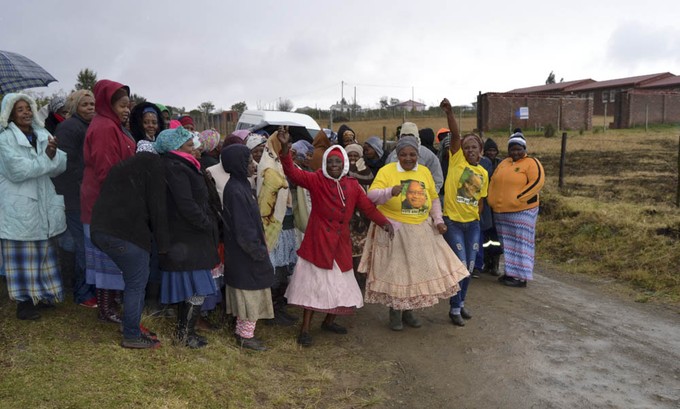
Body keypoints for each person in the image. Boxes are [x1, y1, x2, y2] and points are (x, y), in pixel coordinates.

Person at [276, 128, 395, 347]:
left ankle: (329, 321)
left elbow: (368, 208)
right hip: (318, 241)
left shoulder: (352, 186)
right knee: (313, 287)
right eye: (330, 163)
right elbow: (292, 173)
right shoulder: (316, 180)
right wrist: (285, 150)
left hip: (340, 243)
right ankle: (305, 329)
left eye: (337, 163)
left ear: (344, 165)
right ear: (324, 164)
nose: (333, 166)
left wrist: (384, 222)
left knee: (341, 285)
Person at [359, 136, 468, 330]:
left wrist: (438, 220)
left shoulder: (424, 172)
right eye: (403, 154)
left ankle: (409, 311)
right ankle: (395, 312)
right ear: (397, 155)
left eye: (412, 154)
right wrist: (389, 191)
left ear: (418, 155)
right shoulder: (387, 171)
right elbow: (371, 196)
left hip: (419, 229)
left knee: (415, 272)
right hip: (395, 228)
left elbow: (433, 199)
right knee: (398, 272)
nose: (408, 158)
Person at [90, 152, 169, 349]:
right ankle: (132, 335)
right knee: (136, 284)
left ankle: (129, 325)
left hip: (99, 231)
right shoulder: (155, 167)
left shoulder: (121, 167)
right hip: (128, 236)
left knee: (132, 281)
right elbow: (158, 208)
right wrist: (164, 245)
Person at [0, 93, 67, 320]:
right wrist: (47, 159)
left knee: (43, 252)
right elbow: (17, 171)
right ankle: (25, 303)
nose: (27, 112)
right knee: (21, 255)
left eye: (28, 108)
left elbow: (61, 164)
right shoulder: (5, 139)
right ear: (10, 114)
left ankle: (44, 295)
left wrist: (51, 156)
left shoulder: (42, 133)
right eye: (20, 109)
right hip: (19, 203)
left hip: (43, 200)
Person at [155, 127, 219, 348]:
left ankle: (185, 332)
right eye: (190, 145)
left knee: (193, 288)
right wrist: (206, 222)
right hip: (189, 236)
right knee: (197, 287)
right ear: (176, 147)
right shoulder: (176, 168)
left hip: (188, 236)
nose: (195, 149)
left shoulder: (180, 165)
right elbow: (186, 204)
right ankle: (185, 335)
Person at [81, 79, 136, 323]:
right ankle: (106, 308)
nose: (126, 110)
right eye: (123, 105)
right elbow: (106, 172)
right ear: (108, 103)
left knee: (111, 254)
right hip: (104, 203)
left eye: (128, 106)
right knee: (107, 255)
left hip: (112, 200)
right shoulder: (104, 128)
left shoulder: (112, 125)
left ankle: (111, 301)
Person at [440, 98, 489, 327]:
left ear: (480, 151)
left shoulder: (483, 173)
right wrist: (450, 113)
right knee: (460, 264)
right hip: (454, 224)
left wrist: (476, 217)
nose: (469, 150)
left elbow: (480, 200)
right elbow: (456, 135)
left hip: (473, 225)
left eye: (474, 147)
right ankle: (454, 308)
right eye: (467, 147)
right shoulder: (457, 160)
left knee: (469, 266)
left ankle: (460, 303)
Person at [221, 144, 275, 351]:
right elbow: (243, 227)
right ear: (238, 164)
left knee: (249, 290)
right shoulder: (236, 190)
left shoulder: (240, 184)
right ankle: (245, 335)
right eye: (249, 161)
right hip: (245, 252)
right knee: (249, 292)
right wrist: (257, 251)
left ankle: (243, 331)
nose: (254, 165)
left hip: (244, 251)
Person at [51, 89, 97, 308]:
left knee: (86, 244)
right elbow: (66, 164)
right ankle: (82, 292)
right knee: (81, 246)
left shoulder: (88, 125)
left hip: (86, 194)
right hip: (73, 196)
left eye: (92, 104)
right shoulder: (70, 127)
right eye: (85, 104)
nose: (90, 108)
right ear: (75, 106)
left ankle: (86, 288)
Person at [487, 132, 545, 287]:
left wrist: (519, 198)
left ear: (524, 148)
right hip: (502, 212)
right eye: (512, 149)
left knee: (521, 243)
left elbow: (537, 181)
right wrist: (491, 200)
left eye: (519, 149)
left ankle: (521, 277)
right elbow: (493, 181)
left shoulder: (532, 162)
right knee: (507, 244)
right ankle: (510, 273)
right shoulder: (504, 163)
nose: (515, 152)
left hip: (522, 211)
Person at [257, 134, 297, 326]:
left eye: (288, 144)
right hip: (273, 225)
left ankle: (279, 308)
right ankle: (270, 312)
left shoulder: (286, 165)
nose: (286, 147)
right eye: (282, 145)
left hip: (288, 226)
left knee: (283, 271)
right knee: (274, 273)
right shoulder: (268, 167)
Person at [386, 122, 444, 192]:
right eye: (404, 135)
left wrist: (428, 196)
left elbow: (437, 179)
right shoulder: (393, 156)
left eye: (410, 135)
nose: (407, 138)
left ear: (416, 136)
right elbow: (387, 178)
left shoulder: (428, 156)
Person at [478, 137, 503, 276]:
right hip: (485, 204)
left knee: (496, 238)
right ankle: (486, 263)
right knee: (486, 237)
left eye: (494, 150)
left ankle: (495, 264)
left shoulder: (501, 164)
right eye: (489, 150)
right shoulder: (481, 164)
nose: (491, 153)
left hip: (497, 204)